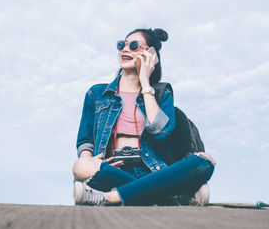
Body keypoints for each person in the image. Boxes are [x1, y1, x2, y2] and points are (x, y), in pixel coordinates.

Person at [72, 28, 216, 206]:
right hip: (111, 170)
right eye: (121, 45)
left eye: (133, 46)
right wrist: (88, 159)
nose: (124, 49)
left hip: (151, 170)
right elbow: (85, 139)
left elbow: (160, 131)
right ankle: (172, 195)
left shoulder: (162, 95)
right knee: (80, 166)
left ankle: (111, 197)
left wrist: (146, 82)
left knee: (205, 160)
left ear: (151, 54)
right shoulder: (97, 93)